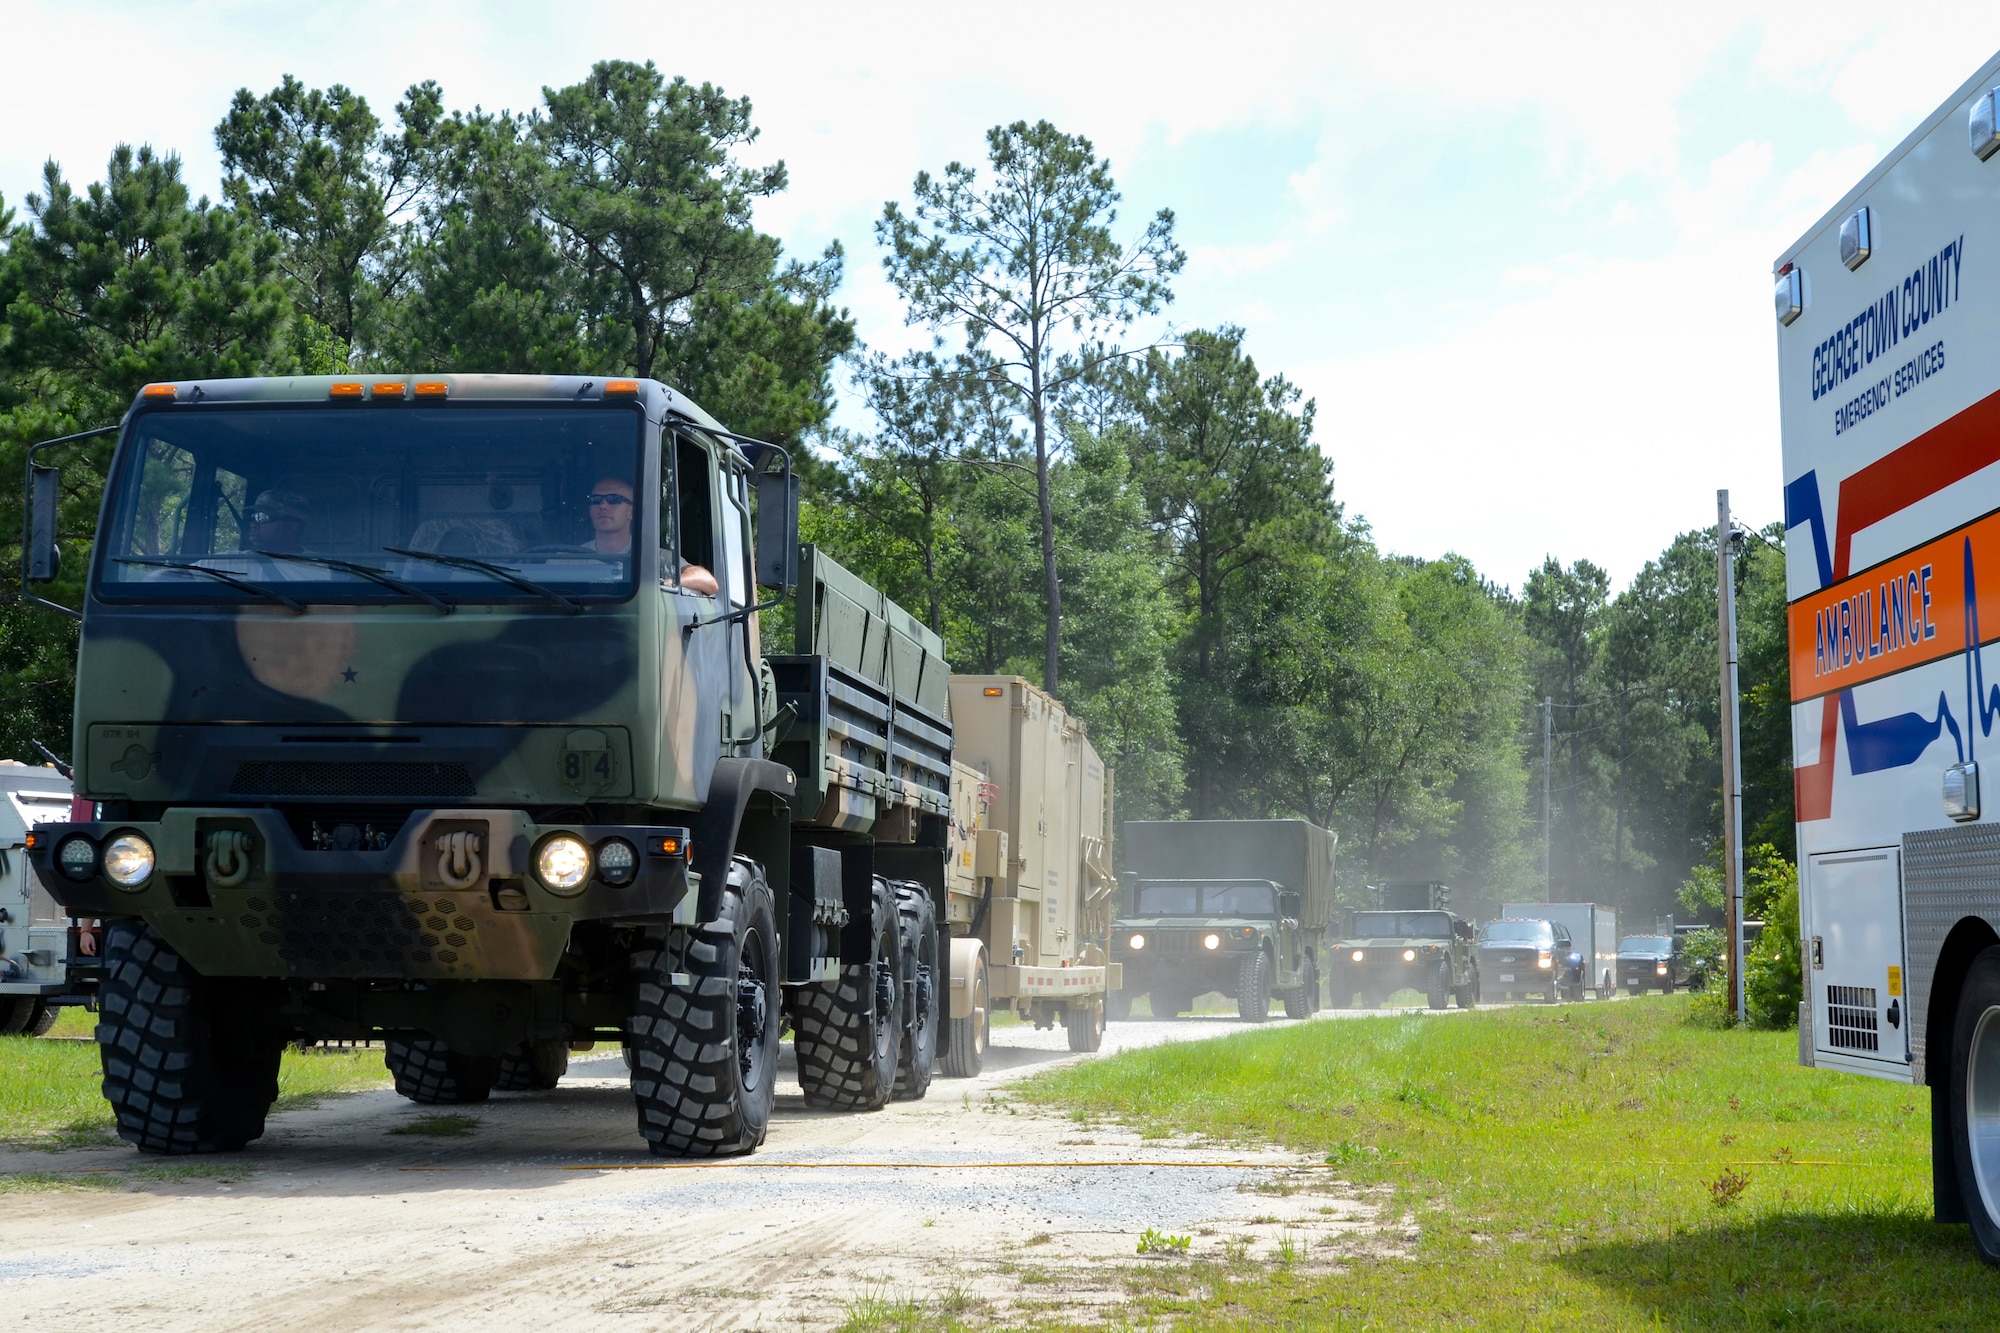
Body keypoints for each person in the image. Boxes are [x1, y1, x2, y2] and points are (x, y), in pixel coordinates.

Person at [585, 476, 718, 594]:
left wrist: (665, 585)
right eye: (595, 500)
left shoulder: (656, 557)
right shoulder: (573, 557)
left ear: (631, 512)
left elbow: (707, 581)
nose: (602, 505)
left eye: (613, 499)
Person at [245, 489, 310, 553]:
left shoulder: (314, 562)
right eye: (253, 517)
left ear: (292, 526)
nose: (252, 525)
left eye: (262, 517)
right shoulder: (241, 561)